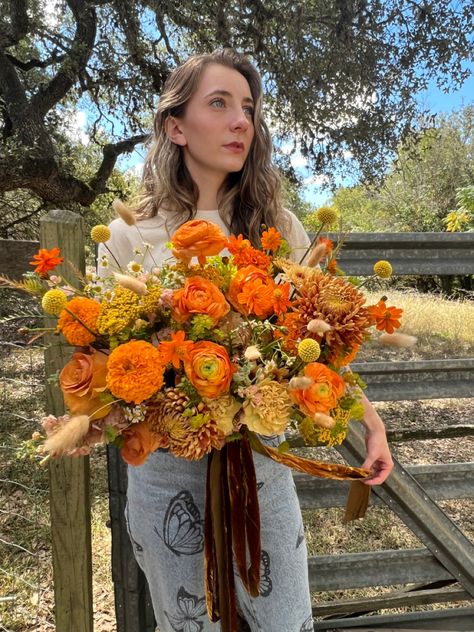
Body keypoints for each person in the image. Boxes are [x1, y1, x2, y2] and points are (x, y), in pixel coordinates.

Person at [99, 48, 393, 632]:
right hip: (166, 476)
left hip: (260, 469)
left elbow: (322, 347)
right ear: (175, 127)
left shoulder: (279, 229)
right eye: (219, 103)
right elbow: (110, 365)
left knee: (284, 620)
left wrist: (371, 425)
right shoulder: (129, 235)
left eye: (249, 109)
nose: (241, 121)